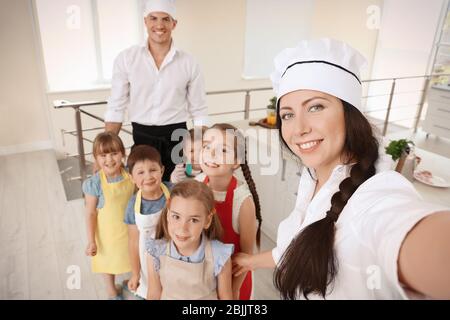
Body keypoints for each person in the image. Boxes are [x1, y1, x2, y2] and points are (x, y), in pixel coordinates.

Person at [232, 38, 450, 299]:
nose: (299, 128)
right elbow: (296, 246)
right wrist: (251, 262)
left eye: (316, 107)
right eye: (287, 114)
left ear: (350, 113)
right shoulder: (313, 176)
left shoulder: (376, 198)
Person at [104, 0, 208, 181]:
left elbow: (199, 111)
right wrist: (105, 150)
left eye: (165, 19)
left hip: (177, 138)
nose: (159, 25)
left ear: (174, 24)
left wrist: (199, 148)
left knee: (177, 192)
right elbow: (116, 107)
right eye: (153, 18)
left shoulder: (189, 62)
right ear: (145, 21)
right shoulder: (126, 59)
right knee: (145, 191)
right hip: (142, 137)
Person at [197, 123, 262, 300]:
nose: (211, 154)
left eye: (223, 150)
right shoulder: (197, 184)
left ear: (236, 161)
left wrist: (233, 291)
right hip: (203, 281)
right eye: (206, 146)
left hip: (235, 283)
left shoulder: (243, 202)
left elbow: (247, 255)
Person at [146, 180, 234, 300]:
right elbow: (153, 294)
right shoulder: (155, 252)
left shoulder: (219, 255)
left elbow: (226, 298)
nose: (183, 229)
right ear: (168, 215)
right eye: (176, 217)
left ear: (207, 221)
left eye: (193, 220)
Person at [82, 132, 134, 300]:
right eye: (103, 155)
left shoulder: (131, 175)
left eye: (114, 153)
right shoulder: (94, 183)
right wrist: (91, 241)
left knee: (133, 256)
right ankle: (112, 291)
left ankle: (134, 281)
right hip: (106, 235)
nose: (109, 159)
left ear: (123, 154)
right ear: (96, 158)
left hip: (130, 230)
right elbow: (90, 213)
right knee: (107, 262)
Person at [123, 145, 172, 299]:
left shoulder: (174, 191)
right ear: (132, 177)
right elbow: (133, 242)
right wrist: (135, 274)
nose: (148, 176)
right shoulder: (132, 205)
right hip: (147, 260)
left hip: (174, 252)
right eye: (140, 172)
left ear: (162, 170)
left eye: (153, 170)